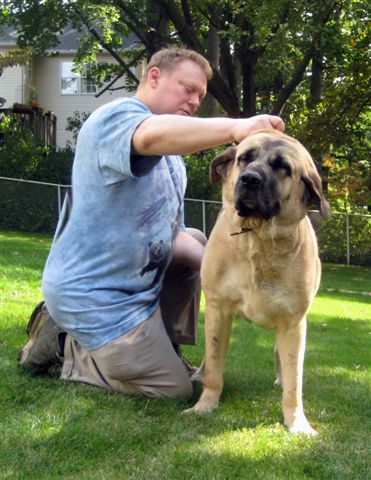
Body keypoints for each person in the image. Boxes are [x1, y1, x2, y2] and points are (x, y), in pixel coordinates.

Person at [18, 48, 284, 399]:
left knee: (198, 240)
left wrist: (224, 267)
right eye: (187, 88)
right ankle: (64, 344)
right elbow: (149, 136)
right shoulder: (114, 118)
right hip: (95, 295)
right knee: (173, 389)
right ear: (154, 76)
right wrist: (237, 126)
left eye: (200, 96)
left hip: (134, 288)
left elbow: (169, 235)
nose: (194, 101)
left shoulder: (172, 158)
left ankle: (165, 346)